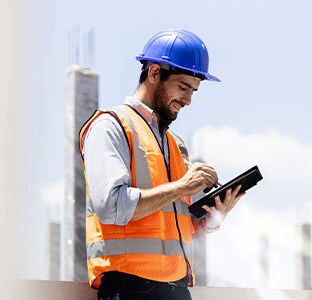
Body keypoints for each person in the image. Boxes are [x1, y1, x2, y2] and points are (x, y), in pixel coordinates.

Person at [79, 29, 245, 300]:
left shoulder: (175, 144)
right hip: (129, 288)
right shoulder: (110, 126)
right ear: (154, 74)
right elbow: (112, 206)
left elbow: (176, 228)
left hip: (177, 289)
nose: (188, 100)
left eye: (193, 91)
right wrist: (182, 186)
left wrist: (215, 217)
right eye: (183, 87)